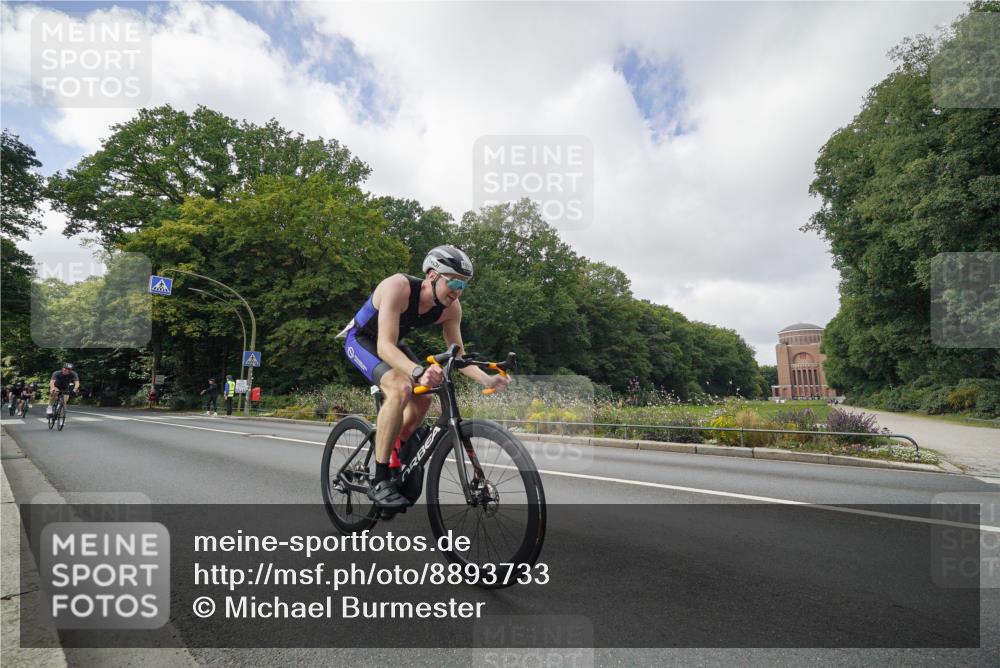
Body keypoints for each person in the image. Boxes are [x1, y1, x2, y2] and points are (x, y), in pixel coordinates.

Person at [340, 245, 510, 509]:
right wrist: (418, 371)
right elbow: (385, 346)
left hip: (392, 343)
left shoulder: (451, 309)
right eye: (454, 282)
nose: (458, 291)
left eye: (464, 285)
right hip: (362, 340)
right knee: (400, 387)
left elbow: (459, 357)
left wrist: (488, 380)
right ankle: (381, 478)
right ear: (432, 275)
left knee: (425, 398)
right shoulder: (398, 287)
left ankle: (396, 450)